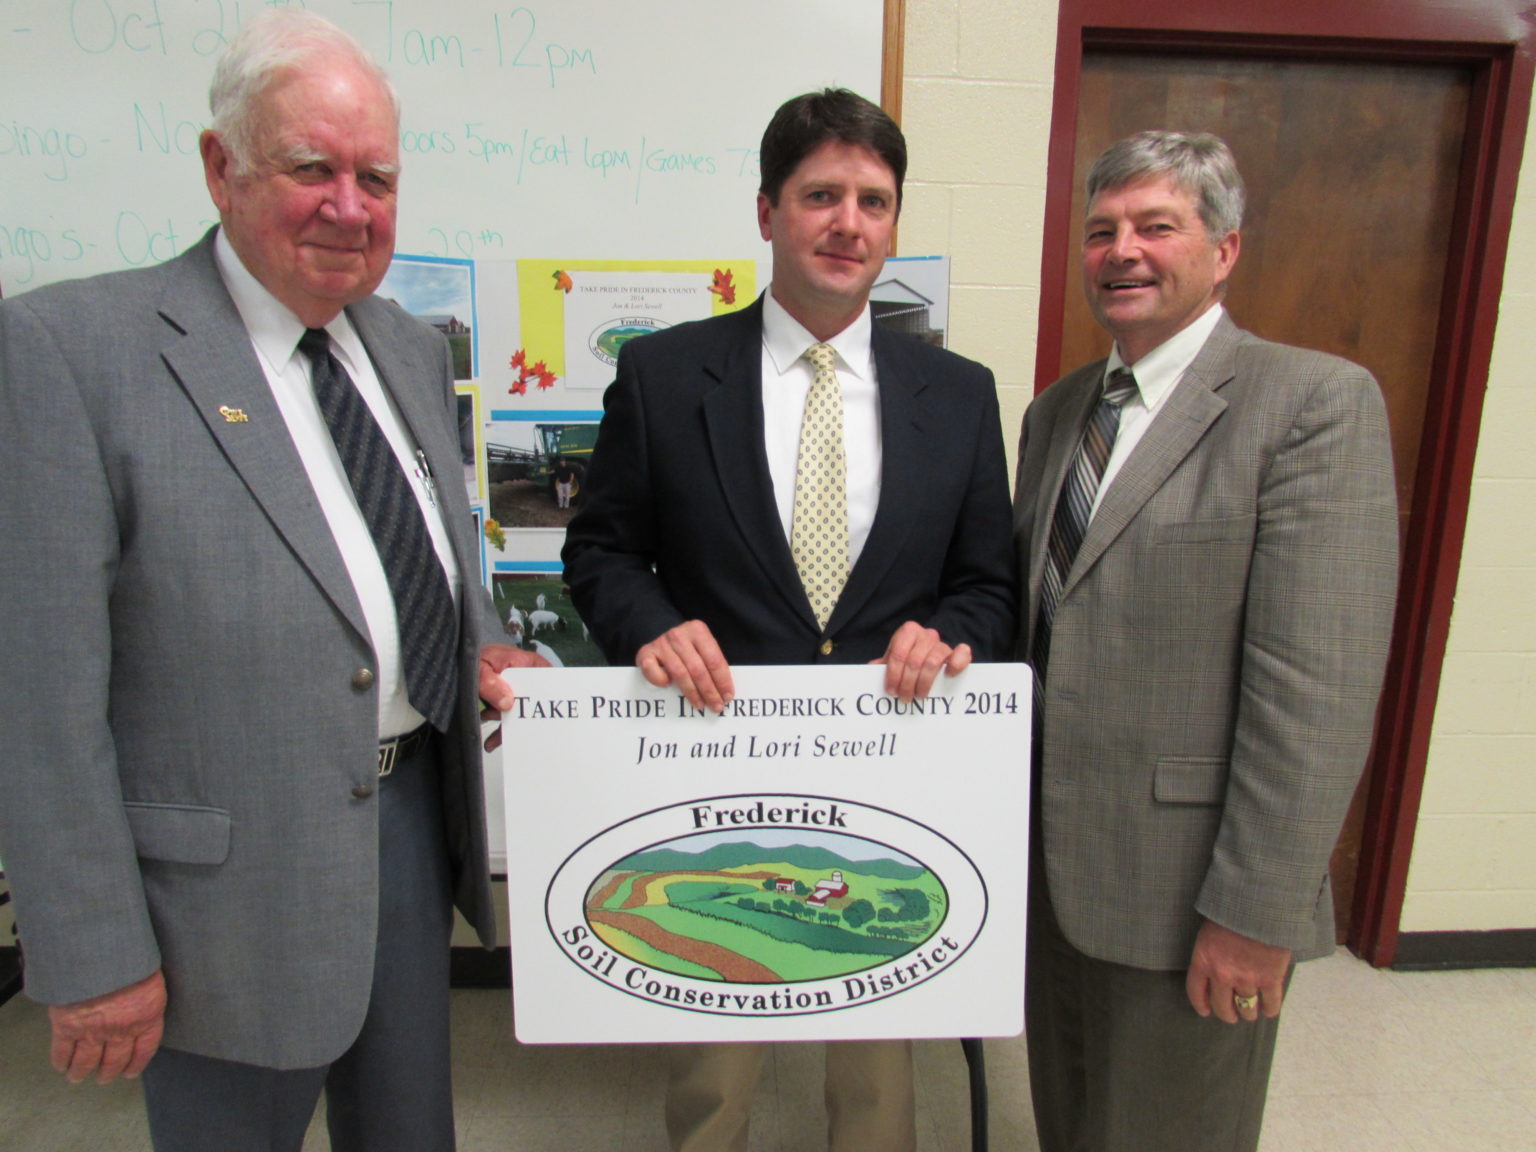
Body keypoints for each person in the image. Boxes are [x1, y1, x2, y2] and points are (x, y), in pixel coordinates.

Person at [0, 11, 541, 1150]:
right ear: (221, 167)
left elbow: (419, 549)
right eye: (311, 169)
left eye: (376, 178)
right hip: (218, 904)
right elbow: (37, 697)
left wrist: (479, 638)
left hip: (410, 834)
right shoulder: (71, 351)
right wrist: (92, 951)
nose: (350, 207)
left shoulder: (404, 345)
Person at [562, 89, 1014, 1152]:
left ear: (893, 223)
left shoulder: (957, 394)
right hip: (714, 765)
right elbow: (602, 553)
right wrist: (650, 626)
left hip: (892, 770)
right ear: (767, 212)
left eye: (873, 201)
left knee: (879, 1056)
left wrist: (951, 634)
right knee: (716, 1044)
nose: (848, 223)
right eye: (820, 196)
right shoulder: (666, 376)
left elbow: (987, 584)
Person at [1014, 130, 1399, 1152]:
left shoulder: (1311, 403)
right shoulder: (1057, 414)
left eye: (1157, 226)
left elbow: (1316, 693)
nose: (1123, 251)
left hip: (1191, 891)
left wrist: (1257, 913)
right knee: (1070, 1126)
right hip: (1049, 877)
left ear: (1225, 250)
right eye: (1102, 230)